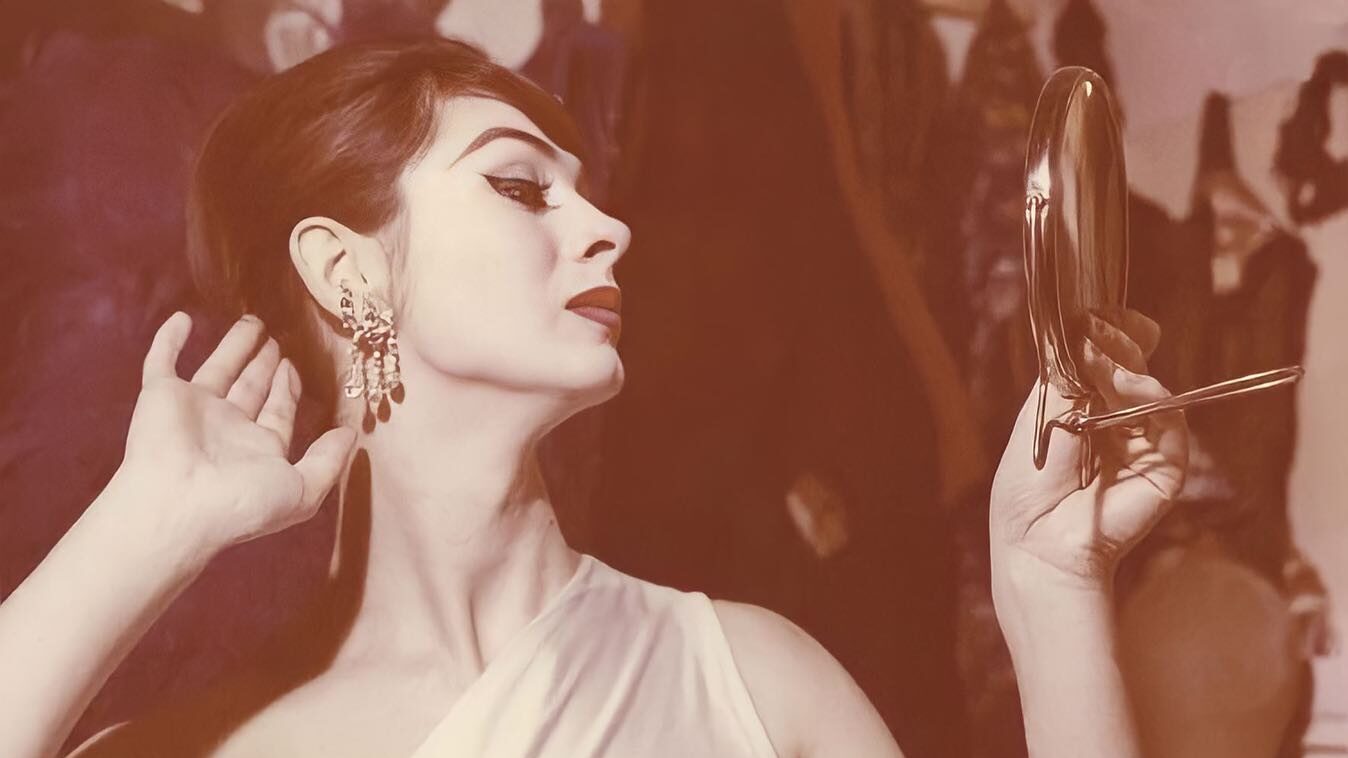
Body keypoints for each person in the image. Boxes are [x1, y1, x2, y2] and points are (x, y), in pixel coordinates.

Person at [0, 38, 1187, 757]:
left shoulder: (757, 681)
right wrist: (142, 523)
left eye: (586, 190)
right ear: (344, 269)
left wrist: (1052, 590)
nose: (608, 224)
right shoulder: (199, 749)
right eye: (521, 187)